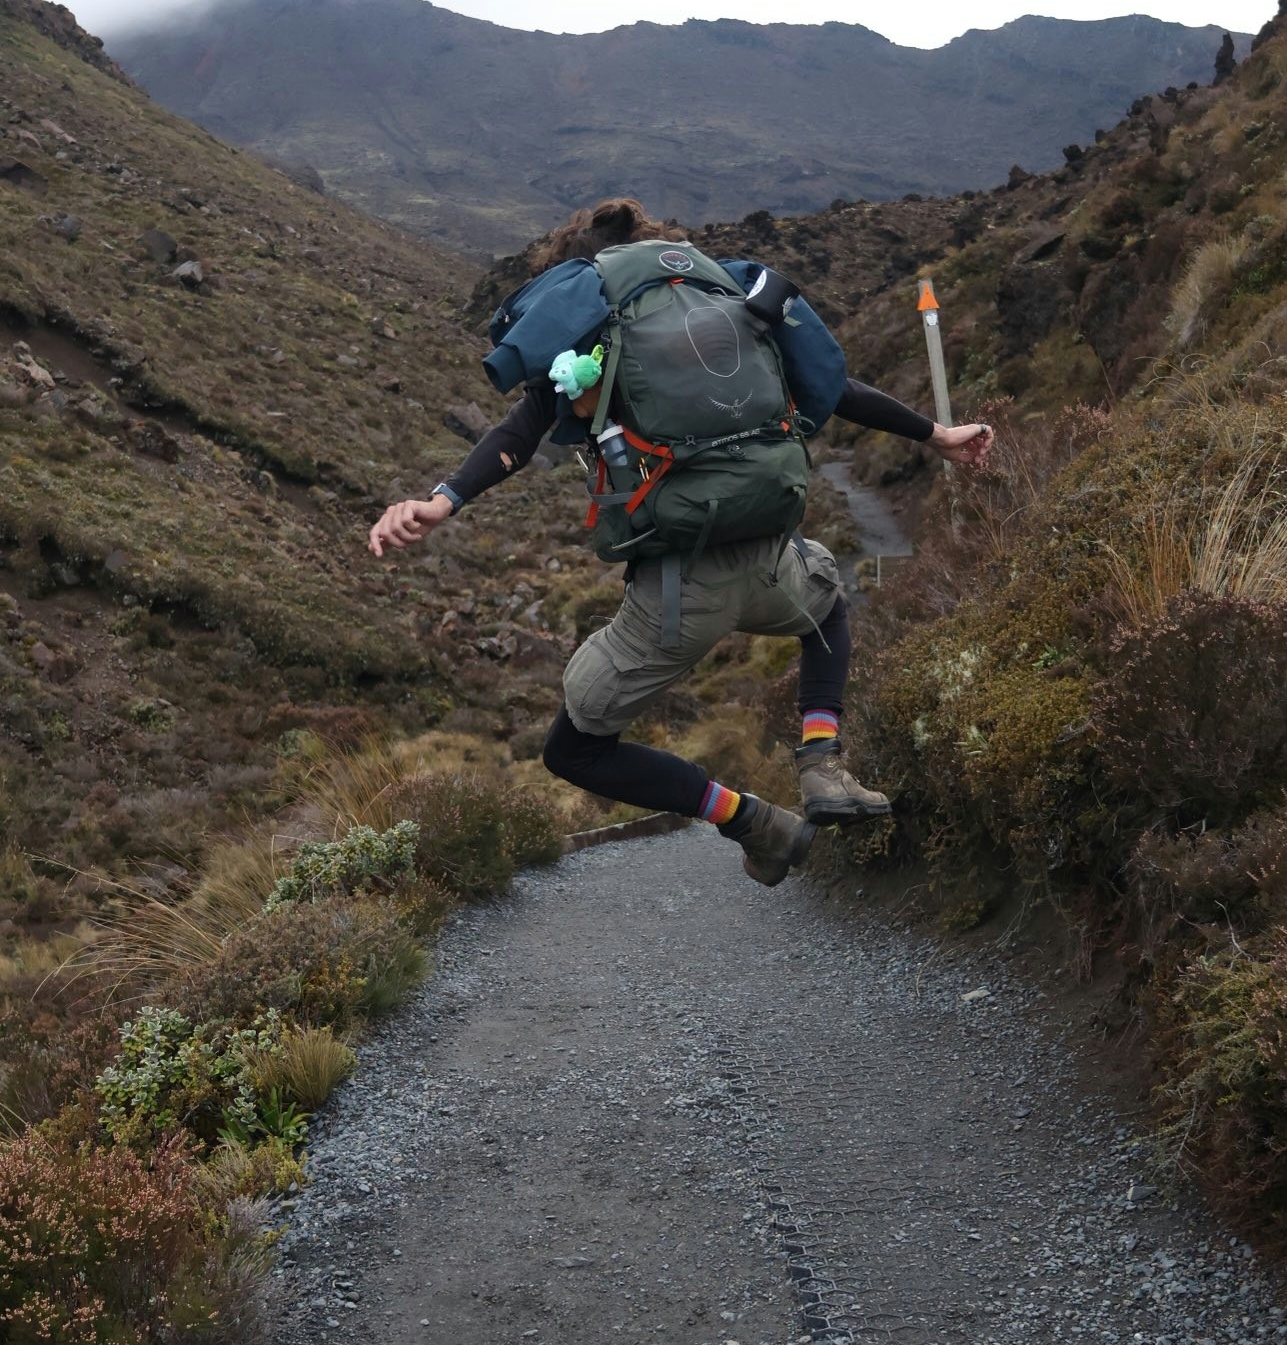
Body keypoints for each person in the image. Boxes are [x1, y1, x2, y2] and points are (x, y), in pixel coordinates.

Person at [370, 198, 992, 887]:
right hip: (768, 556)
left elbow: (520, 432)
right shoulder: (726, 305)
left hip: (675, 594)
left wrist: (441, 500)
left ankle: (748, 818)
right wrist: (936, 436)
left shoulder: (592, 332)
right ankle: (822, 761)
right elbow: (833, 388)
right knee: (826, 607)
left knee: (573, 752)